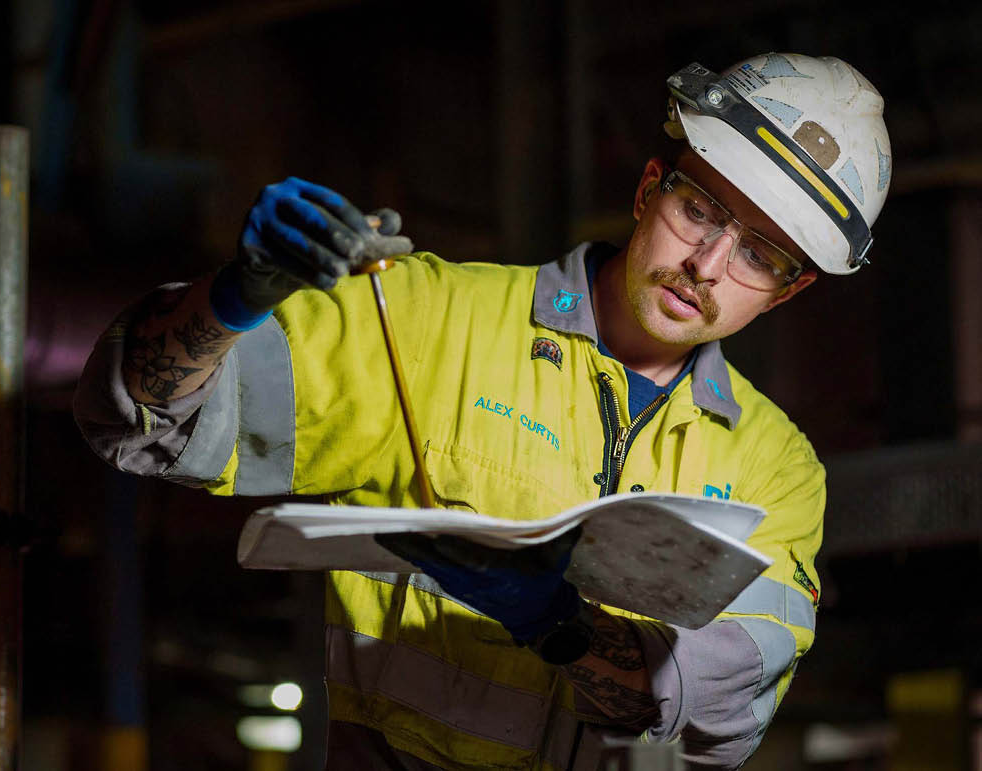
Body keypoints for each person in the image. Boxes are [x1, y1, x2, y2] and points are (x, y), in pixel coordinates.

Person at [74, 52, 892, 769]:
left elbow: (727, 718)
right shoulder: (423, 321)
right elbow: (143, 421)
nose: (706, 264)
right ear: (650, 189)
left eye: (757, 254)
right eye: (700, 211)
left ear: (788, 290)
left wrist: (556, 622)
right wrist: (233, 298)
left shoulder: (775, 468)